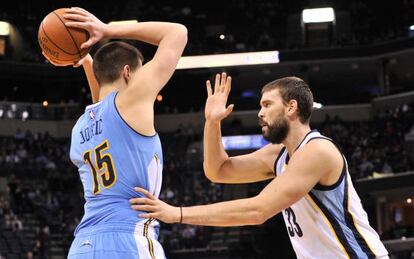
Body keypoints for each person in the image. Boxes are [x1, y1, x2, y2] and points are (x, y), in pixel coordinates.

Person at [130, 74, 389, 259]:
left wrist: (177, 214)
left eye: (267, 104)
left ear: (291, 107)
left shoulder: (317, 151)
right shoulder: (278, 154)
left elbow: (258, 210)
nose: (260, 113)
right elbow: (217, 171)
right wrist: (212, 123)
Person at [44, 7, 187, 259]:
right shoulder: (131, 101)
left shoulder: (81, 126)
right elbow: (177, 32)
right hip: (128, 240)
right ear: (128, 72)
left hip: (83, 246)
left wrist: (87, 60)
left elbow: (102, 104)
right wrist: (107, 30)